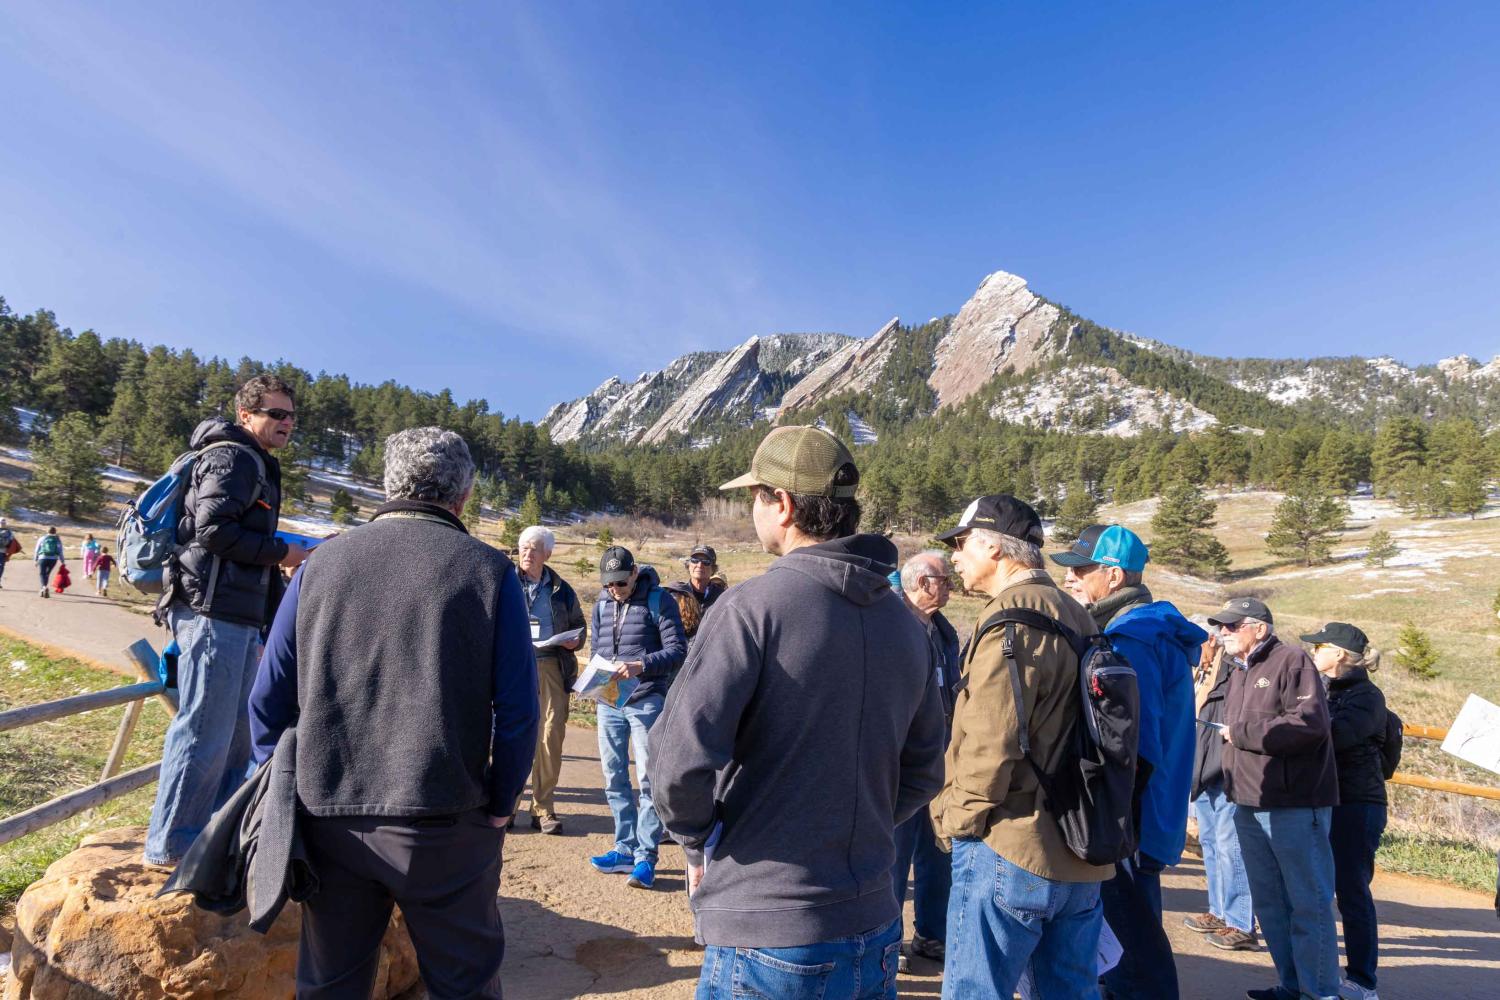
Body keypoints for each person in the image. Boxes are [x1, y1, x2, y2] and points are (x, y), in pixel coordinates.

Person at [651, 424, 945, 999]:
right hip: (874, 924)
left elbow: (674, 764)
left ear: (781, 504)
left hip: (768, 932)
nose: (752, 507)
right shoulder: (908, 626)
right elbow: (926, 770)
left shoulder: (750, 609)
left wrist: (700, 840)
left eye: (755, 495)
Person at [248, 426, 538, 999]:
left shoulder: (318, 567)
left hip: (328, 817)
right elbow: (519, 714)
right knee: (465, 986)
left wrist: (281, 793)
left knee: (332, 987)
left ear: (388, 486)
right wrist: (501, 806)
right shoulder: (488, 572)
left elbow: (268, 701)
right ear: (462, 496)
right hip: (445, 820)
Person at [930, 495, 1110, 1000]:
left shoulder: (1011, 619)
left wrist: (952, 820)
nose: (955, 558)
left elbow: (991, 744)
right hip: (1080, 849)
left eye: (962, 544)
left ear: (992, 545)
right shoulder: (1078, 614)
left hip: (1011, 845)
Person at [143, 374, 310, 868]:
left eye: (291, 415)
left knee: (236, 732)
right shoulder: (232, 456)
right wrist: (284, 551)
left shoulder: (252, 460)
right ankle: (173, 845)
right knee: (203, 731)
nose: (286, 423)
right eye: (275, 414)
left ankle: (213, 838)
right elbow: (213, 530)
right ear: (246, 415)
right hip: (210, 610)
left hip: (233, 613)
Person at [1052, 524, 1205, 1000]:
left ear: (1114, 576)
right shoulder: (1150, 627)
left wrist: (1107, 814)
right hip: (1150, 810)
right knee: (1137, 928)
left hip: (1129, 814)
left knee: (1130, 945)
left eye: (1081, 569)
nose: (1071, 579)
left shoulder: (1132, 637)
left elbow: (1135, 744)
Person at [1211, 597, 1340, 1000]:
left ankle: (1318, 992)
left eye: (1233, 626)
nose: (1224, 633)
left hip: (1294, 805)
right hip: (1248, 801)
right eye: (1222, 626)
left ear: (1260, 628)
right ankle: (1291, 985)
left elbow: (1310, 724)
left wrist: (1243, 733)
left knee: (1308, 902)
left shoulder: (1292, 661)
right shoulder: (1238, 670)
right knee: (1270, 906)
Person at [588, 544, 685, 890]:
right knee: (613, 776)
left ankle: (646, 857)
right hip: (608, 701)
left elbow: (677, 651)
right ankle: (623, 848)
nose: (615, 590)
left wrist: (640, 665)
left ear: (634, 573)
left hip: (646, 700)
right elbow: (596, 650)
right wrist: (592, 682)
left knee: (648, 779)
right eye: (609, 584)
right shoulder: (601, 604)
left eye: (621, 583)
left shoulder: (660, 601)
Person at [1304, 622, 1388, 1000]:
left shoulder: (1368, 697)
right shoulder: (1325, 690)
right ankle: (1315, 977)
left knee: (1352, 892)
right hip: (1328, 801)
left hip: (1357, 805)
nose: (1312, 652)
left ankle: (1362, 981)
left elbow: (1332, 738)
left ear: (1338, 653)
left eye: (1319, 646)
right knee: (1317, 889)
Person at [891, 550, 961, 968]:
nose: (950, 586)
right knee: (893, 856)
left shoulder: (943, 630)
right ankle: (889, 939)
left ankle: (932, 934)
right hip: (899, 760)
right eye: (944, 580)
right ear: (921, 583)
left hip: (941, 759)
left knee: (939, 851)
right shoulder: (892, 625)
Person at [1185, 626, 1258, 951]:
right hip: (1205, 769)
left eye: (1198, 643)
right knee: (1212, 843)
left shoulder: (1234, 670)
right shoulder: (1204, 670)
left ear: (1211, 641)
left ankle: (1241, 922)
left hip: (1226, 770)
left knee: (1232, 848)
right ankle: (1219, 911)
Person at [516, 524, 587, 835]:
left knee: (550, 735)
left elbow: (580, 626)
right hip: (513, 667)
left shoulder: (562, 589)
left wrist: (576, 640)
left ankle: (542, 809)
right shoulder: (503, 581)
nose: (527, 553)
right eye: (523, 548)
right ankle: (506, 807)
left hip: (550, 666)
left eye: (534, 548)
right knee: (511, 734)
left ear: (547, 553)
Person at [663, 544, 728, 650]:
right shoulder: (675, 596)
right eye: (695, 560)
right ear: (688, 565)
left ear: (713, 569)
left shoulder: (722, 597)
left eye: (706, 562)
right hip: (681, 655)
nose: (699, 565)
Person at [34, 526, 64, 598]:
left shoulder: (42, 538)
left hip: (43, 558)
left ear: (47, 531)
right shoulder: (57, 539)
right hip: (53, 559)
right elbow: (60, 551)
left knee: (42, 573)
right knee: (47, 573)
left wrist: (35, 559)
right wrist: (62, 560)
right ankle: (43, 588)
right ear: (55, 532)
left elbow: (37, 549)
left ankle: (44, 587)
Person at [0, 517, 14, 587]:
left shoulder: (9, 531)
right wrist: (9, 555)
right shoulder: (9, 532)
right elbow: (12, 543)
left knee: (1, 567)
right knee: (1, 567)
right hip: (3, 552)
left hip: (3, 552)